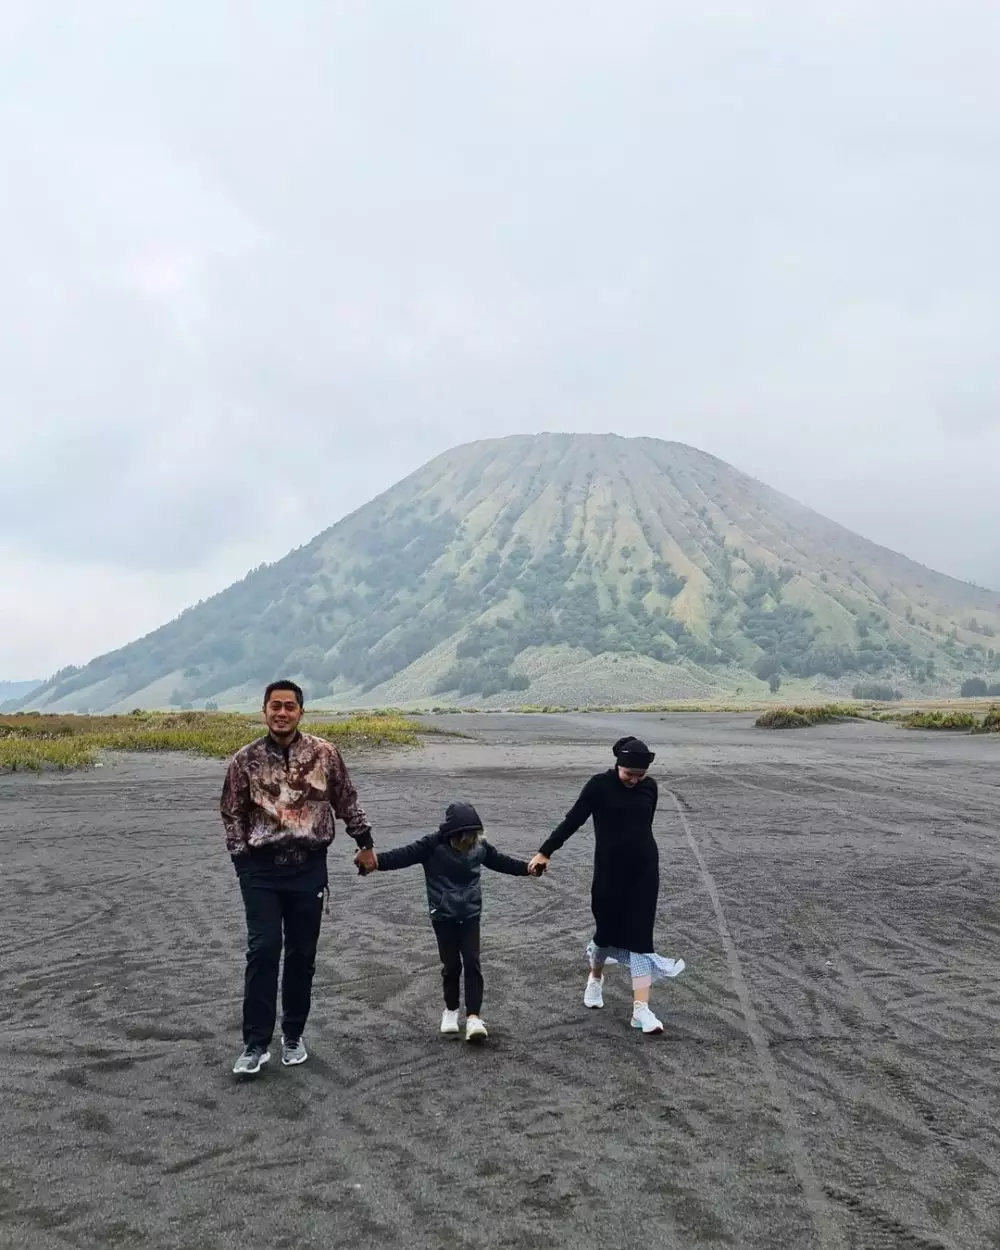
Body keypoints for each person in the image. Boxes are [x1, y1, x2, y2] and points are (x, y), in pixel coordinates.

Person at [221, 679, 377, 1077]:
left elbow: (347, 801)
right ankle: (255, 1044)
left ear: (301, 711)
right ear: (264, 710)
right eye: (275, 706)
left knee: (301, 955)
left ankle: (293, 1034)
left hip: (309, 867)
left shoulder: (324, 754)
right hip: (261, 869)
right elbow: (232, 813)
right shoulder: (245, 760)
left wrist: (365, 842)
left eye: (290, 706)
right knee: (263, 949)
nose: (282, 713)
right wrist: (242, 861)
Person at [527, 735, 684, 1035]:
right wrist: (545, 852)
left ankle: (641, 1010)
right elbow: (573, 820)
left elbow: (642, 828)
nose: (635, 781)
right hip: (610, 873)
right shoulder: (598, 786)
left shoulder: (650, 788)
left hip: (644, 871)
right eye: (629, 775)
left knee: (641, 942)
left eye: (641, 776)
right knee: (605, 935)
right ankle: (595, 977)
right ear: (617, 766)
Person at [356, 801, 538, 1043]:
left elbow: (502, 862)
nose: (468, 842)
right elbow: (402, 856)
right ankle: (451, 1011)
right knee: (451, 965)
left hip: (471, 913)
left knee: (472, 961)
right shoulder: (431, 845)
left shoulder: (480, 846)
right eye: (465, 837)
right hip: (443, 915)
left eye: (473, 837)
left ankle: (474, 1017)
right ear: (453, 834)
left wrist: (528, 868)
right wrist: (373, 863)